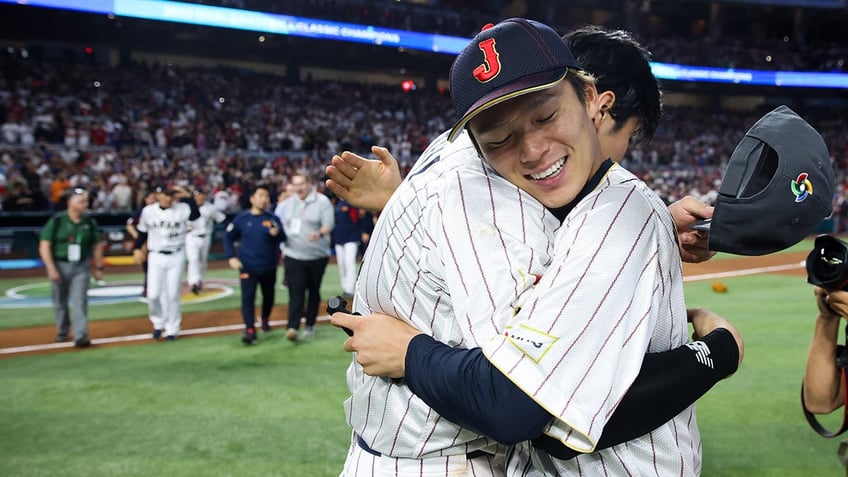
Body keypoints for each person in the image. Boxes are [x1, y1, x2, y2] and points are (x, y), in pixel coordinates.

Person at [330, 19, 740, 476]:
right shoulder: (499, 198)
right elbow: (525, 408)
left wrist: (656, 222)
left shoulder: (456, 162)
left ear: (588, 99)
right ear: (600, 104)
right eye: (500, 138)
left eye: (545, 117)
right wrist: (718, 353)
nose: (532, 150)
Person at [38, 187, 105, 348]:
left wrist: (99, 267)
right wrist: (51, 268)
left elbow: (97, 245)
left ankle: (80, 335)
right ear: (70, 202)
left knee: (80, 300)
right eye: (81, 201)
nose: (85, 204)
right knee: (59, 301)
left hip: (81, 265)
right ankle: (62, 331)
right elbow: (44, 246)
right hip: (60, 264)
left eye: (86, 201)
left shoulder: (89, 222)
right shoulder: (57, 221)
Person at [132, 184, 200, 341]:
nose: (169, 198)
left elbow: (195, 215)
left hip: (176, 254)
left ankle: (172, 329)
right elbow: (142, 231)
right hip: (155, 255)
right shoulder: (149, 211)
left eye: (171, 195)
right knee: (153, 294)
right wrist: (136, 248)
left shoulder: (182, 208)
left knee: (172, 294)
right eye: (166, 194)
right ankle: (158, 323)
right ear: (158, 195)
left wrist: (187, 195)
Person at [274, 171, 334, 342]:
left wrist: (319, 234)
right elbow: (277, 220)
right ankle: (292, 326)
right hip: (293, 254)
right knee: (295, 291)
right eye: (295, 184)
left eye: (301, 184)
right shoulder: (287, 203)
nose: (298, 187)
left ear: (309, 184)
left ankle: (310, 324)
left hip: (316, 255)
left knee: (313, 291)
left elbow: (328, 224)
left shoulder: (322, 202)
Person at [223, 185, 285, 344]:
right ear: (252, 198)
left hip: (269, 266)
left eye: (266, 196)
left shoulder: (272, 219)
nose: (264, 199)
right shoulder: (242, 219)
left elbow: (283, 237)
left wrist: (277, 233)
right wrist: (231, 257)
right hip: (248, 266)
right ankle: (250, 329)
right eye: (260, 195)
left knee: (269, 297)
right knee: (247, 298)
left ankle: (264, 317)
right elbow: (228, 236)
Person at [186, 188, 227, 295]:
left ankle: (200, 280)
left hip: (205, 237)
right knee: (193, 259)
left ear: (204, 196)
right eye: (195, 195)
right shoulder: (187, 208)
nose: (197, 197)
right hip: (191, 237)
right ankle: (193, 282)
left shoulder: (210, 208)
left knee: (202, 261)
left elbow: (222, 219)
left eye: (199, 194)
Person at [331, 197, 365, 299]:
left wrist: (364, 231)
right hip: (339, 238)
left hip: (351, 237)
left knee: (349, 263)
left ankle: (350, 289)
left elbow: (361, 217)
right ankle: (346, 288)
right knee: (342, 264)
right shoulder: (337, 202)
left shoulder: (352, 200)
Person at [126, 189, 157, 297]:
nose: (152, 200)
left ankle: (151, 288)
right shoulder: (142, 211)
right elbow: (129, 224)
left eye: (154, 198)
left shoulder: (159, 210)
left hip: (158, 241)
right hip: (145, 241)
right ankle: (147, 288)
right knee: (148, 266)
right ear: (146, 199)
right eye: (150, 198)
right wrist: (137, 237)